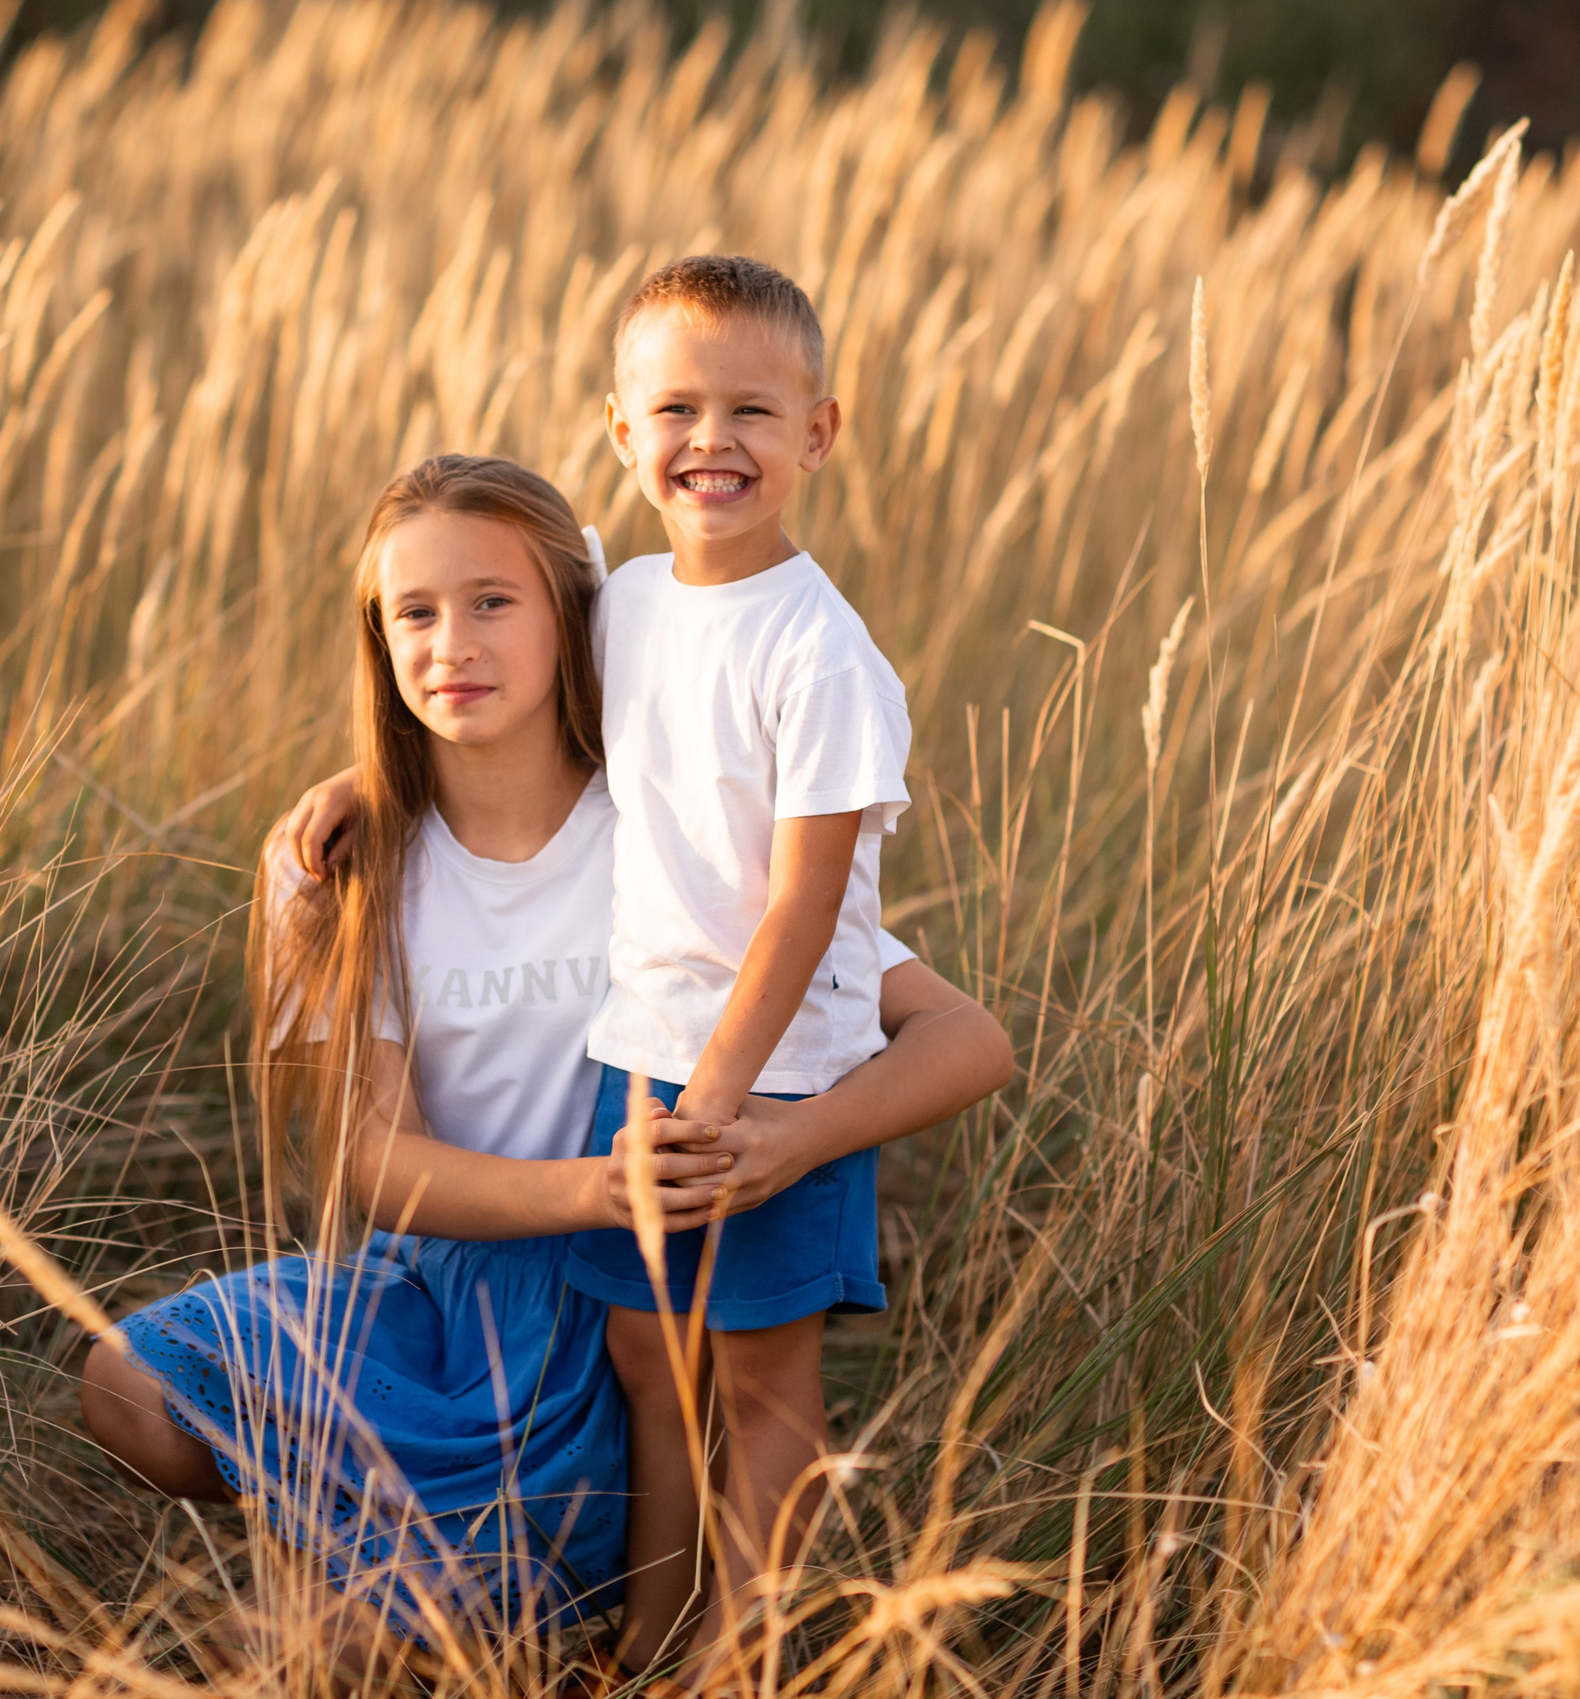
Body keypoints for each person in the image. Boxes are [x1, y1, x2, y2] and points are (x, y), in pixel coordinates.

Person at [82, 454, 1012, 1670]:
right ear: (378, 637)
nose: (450, 643)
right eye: (413, 611)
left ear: (575, 619)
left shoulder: (671, 832)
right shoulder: (330, 870)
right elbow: (371, 1163)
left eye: (492, 602)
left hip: (611, 1326)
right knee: (124, 1389)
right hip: (429, 1290)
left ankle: (543, 1566)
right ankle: (393, 1520)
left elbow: (967, 1037)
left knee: (293, 1653)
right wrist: (591, 1188)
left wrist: (792, 1138)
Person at [569, 252, 918, 1679]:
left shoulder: (824, 656)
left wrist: (724, 1100)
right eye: (678, 408)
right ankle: (648, 1634)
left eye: (755, 413)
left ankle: (742, 1651)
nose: (713, 440)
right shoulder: (627, 598)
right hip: (636, 1049)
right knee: (651, 1360)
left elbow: (799, 905)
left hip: (773, 1078)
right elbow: (522, 732)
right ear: (622, 432)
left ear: (819, 432)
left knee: (765, 1377)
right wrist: (362, 781)